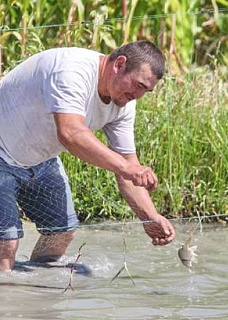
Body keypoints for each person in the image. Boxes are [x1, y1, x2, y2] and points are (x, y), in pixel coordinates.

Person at [0, 40, 176, 271]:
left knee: (61, 233)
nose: (138, 95)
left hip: (40, 159)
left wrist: (150, 216)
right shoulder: (72, 70)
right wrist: (126, 168)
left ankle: (40, 297)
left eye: (146, 91)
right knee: (6, 244)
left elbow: (129, 168)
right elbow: (70, 133)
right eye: (138, 85)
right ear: (119, 64)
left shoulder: (124, 103)